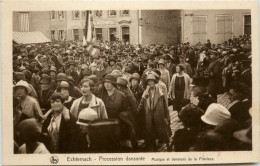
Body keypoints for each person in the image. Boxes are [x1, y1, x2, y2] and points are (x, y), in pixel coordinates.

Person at [138, 73, 171, 151]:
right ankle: (153, 147)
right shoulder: (145, 93)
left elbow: (165, 107)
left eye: (152, 81)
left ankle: (168, 145)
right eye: (149, 81)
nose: (150, 83)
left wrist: (167, 117)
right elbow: (141, 105)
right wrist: (137, 112)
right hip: (149, 117)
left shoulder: (160, 92)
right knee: (151, 133)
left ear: (155, 82)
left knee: (163, 132)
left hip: (159, 116)